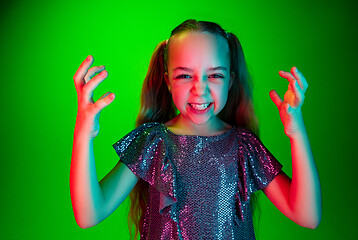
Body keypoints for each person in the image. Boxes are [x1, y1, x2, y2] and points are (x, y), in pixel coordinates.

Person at [70, 19, 322, 240]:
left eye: (214, 76)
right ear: (168, 80)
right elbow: (89, 214)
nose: (199, 90)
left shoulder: (244, 146)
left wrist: (296, 131)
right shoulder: (152, 142)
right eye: (184, 76)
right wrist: (83, 132)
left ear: (230, 80)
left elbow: (307, 216)